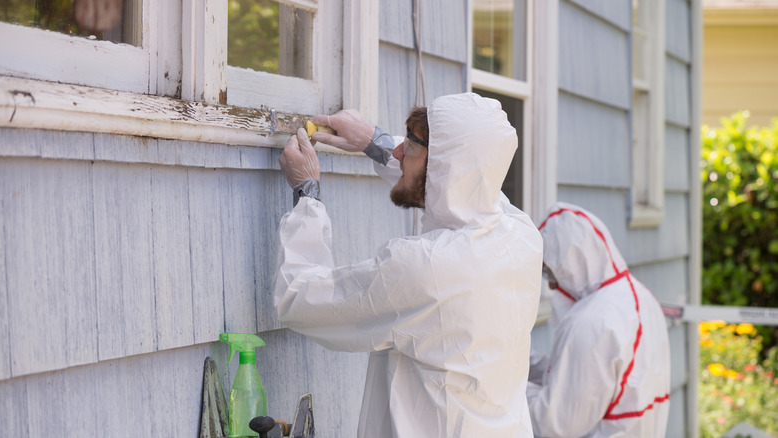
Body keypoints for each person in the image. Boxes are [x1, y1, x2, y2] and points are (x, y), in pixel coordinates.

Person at [273, 93, 543, 437]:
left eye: (410, 147)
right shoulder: (521, 237)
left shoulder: (426, 267)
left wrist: (306, 196)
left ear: (446, 168)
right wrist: (376, 143)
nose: (400, 152)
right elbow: (465, 182)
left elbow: (300, 299)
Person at [526, 202, 671, 437]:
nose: (551, 285)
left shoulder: (590, 322)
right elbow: (584, 380)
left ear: (573, 264)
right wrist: (524, 362)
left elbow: (553, 423)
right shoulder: (641, 299)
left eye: (550, 272)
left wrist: (503, 381)